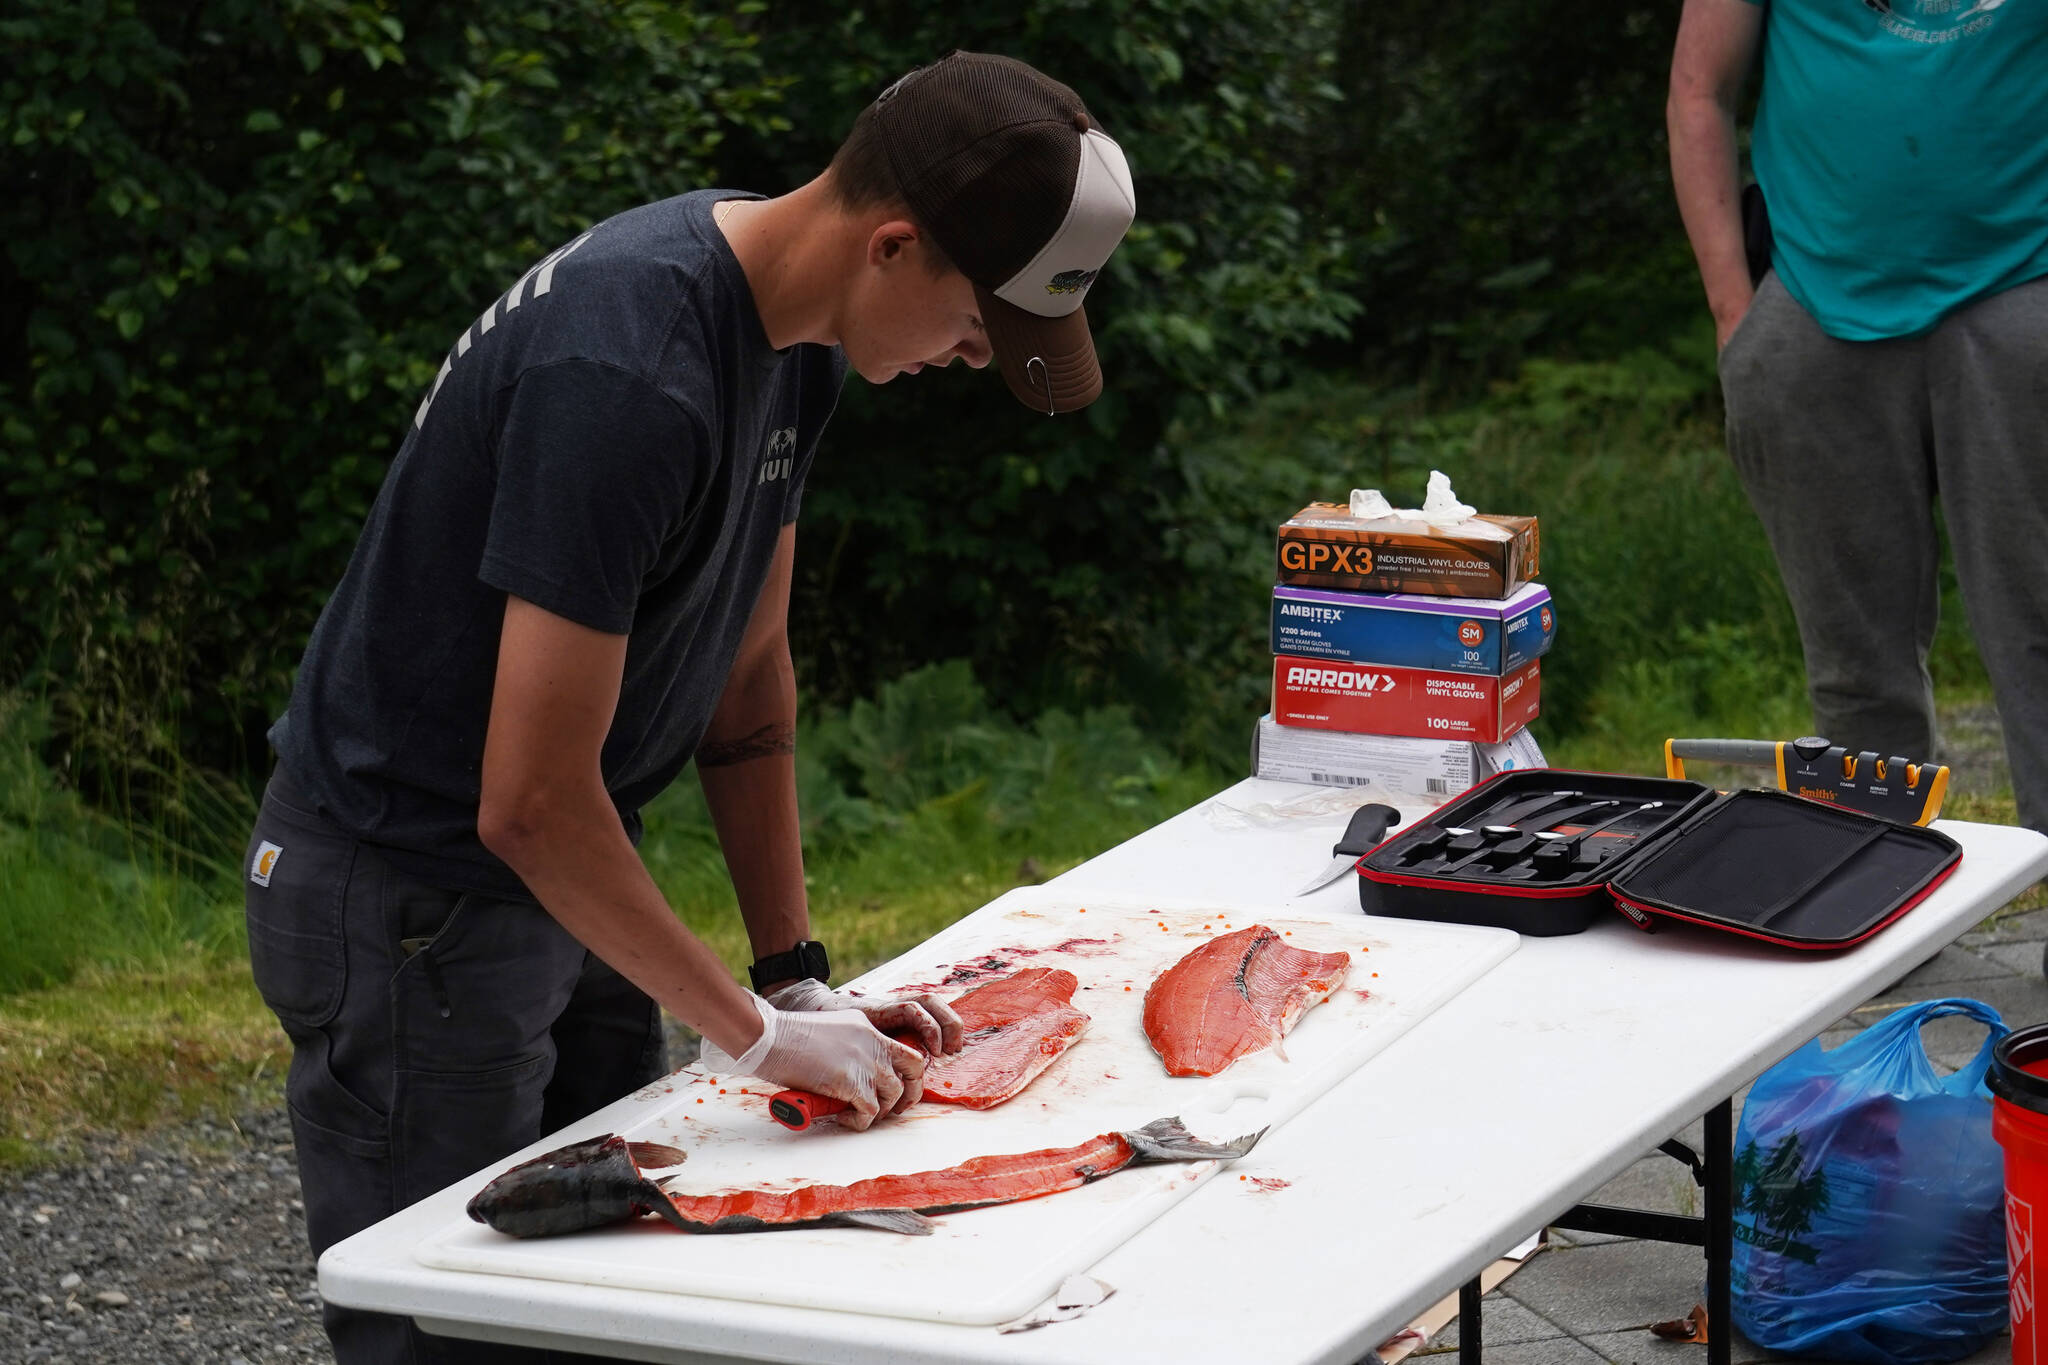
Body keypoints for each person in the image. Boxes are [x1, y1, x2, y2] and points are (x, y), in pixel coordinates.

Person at [241, 50, 1136, 1363]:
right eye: (978, 326)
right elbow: (530, 804)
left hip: (572, 862)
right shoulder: (631, 373)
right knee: (450, 1324)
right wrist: (760, 1037)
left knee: (610, 1297)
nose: (970, 359)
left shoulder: (799, 339)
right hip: (411, 899)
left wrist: (796, 974)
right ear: (893, 244)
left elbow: (748, 671)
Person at [1667, 0, 2048, 836]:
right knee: (1856, 678)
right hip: (1812, 306)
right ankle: (1883, 930)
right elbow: (1699, 89)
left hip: (2026, 288)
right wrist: (1737, 314)